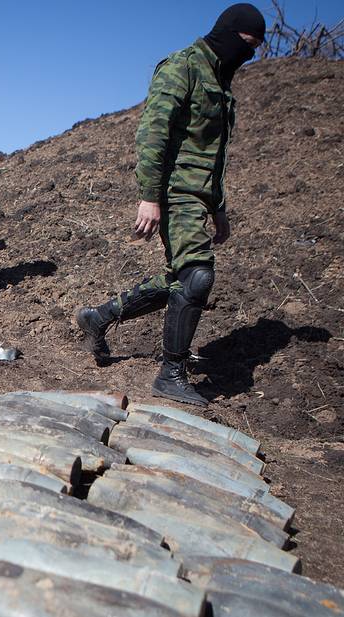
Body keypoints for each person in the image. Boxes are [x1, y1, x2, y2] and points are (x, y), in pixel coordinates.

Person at [76, 3, 266, 406]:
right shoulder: (183, 67)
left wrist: (219, 207)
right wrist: (150, 195)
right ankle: (171, 374)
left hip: (198, 195)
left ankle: (99, 317)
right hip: (175, 190)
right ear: (228, 35)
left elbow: (212, 156)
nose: (247, 55)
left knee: (178, 279)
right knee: (197, 276)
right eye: (245, 46)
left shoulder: (219, 78)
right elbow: (153, 133)